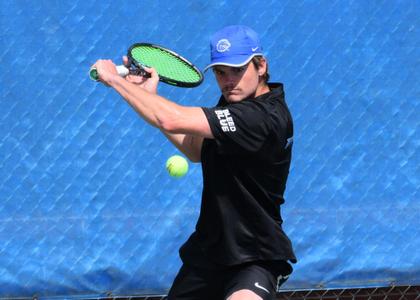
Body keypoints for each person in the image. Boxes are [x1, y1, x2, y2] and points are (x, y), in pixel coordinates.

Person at [93, 25, 296, 300]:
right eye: (220, 72)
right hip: (210, 252)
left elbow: (170, 118)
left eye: (237, 69)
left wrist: (115, 81)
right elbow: (194, 149)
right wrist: (148, 96)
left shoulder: (263, 117)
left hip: (256, 254)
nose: (228, 80)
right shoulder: (231, 105)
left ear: (261, 66)